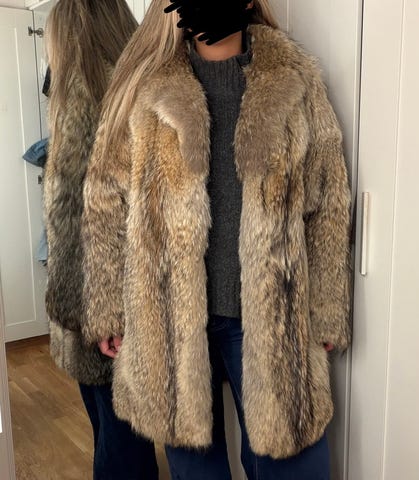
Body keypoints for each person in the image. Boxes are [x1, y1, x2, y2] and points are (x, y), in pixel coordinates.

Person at [82, 0, 352, 478]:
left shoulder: (295, 81)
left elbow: (328, 200)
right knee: (195, 469)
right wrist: (106, 308)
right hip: (167, 318)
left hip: (271, 316)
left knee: (293, 465)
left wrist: (327, 308)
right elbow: (104, 200)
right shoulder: (144, 89)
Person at [43, 1, 159, 478]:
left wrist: (79, 308)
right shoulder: (140, 84)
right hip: (125, 295)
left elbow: (75, 211)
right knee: (123, 431)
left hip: (98, 302)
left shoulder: (86, 93)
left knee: (116, 440)